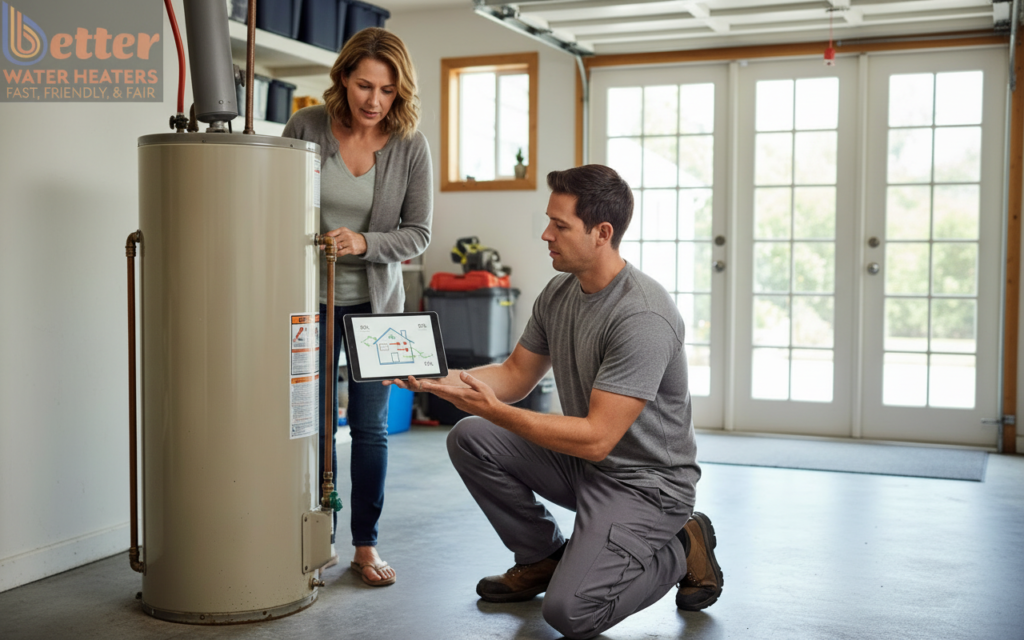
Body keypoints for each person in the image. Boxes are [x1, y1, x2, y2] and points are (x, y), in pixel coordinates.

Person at [389, 165, 723, 638]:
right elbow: (513, 375)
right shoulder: (560, 292)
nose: (546, 234)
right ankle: (543, 556)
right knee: (472, 436)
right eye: (549, 221)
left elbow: (596, 439)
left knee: (571, 613)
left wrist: (497, 410)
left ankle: (681, 544)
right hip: (588, 466)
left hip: (646, 484)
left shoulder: (643, 315)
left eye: (560, 225)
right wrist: (435, 379)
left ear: (602, 233)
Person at [283, 27, 431, 588]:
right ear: (343, 77)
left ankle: (364, 545)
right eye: (364, 85)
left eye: (387, 90)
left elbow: (418, 234)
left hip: (376, 309)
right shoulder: (305, 127)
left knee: (369, 429)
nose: (374, 100)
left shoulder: (410, 144)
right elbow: (279, 203)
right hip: (308, 304)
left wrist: (365, 243)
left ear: (400, 92)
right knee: (313, 425)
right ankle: (316, 539)